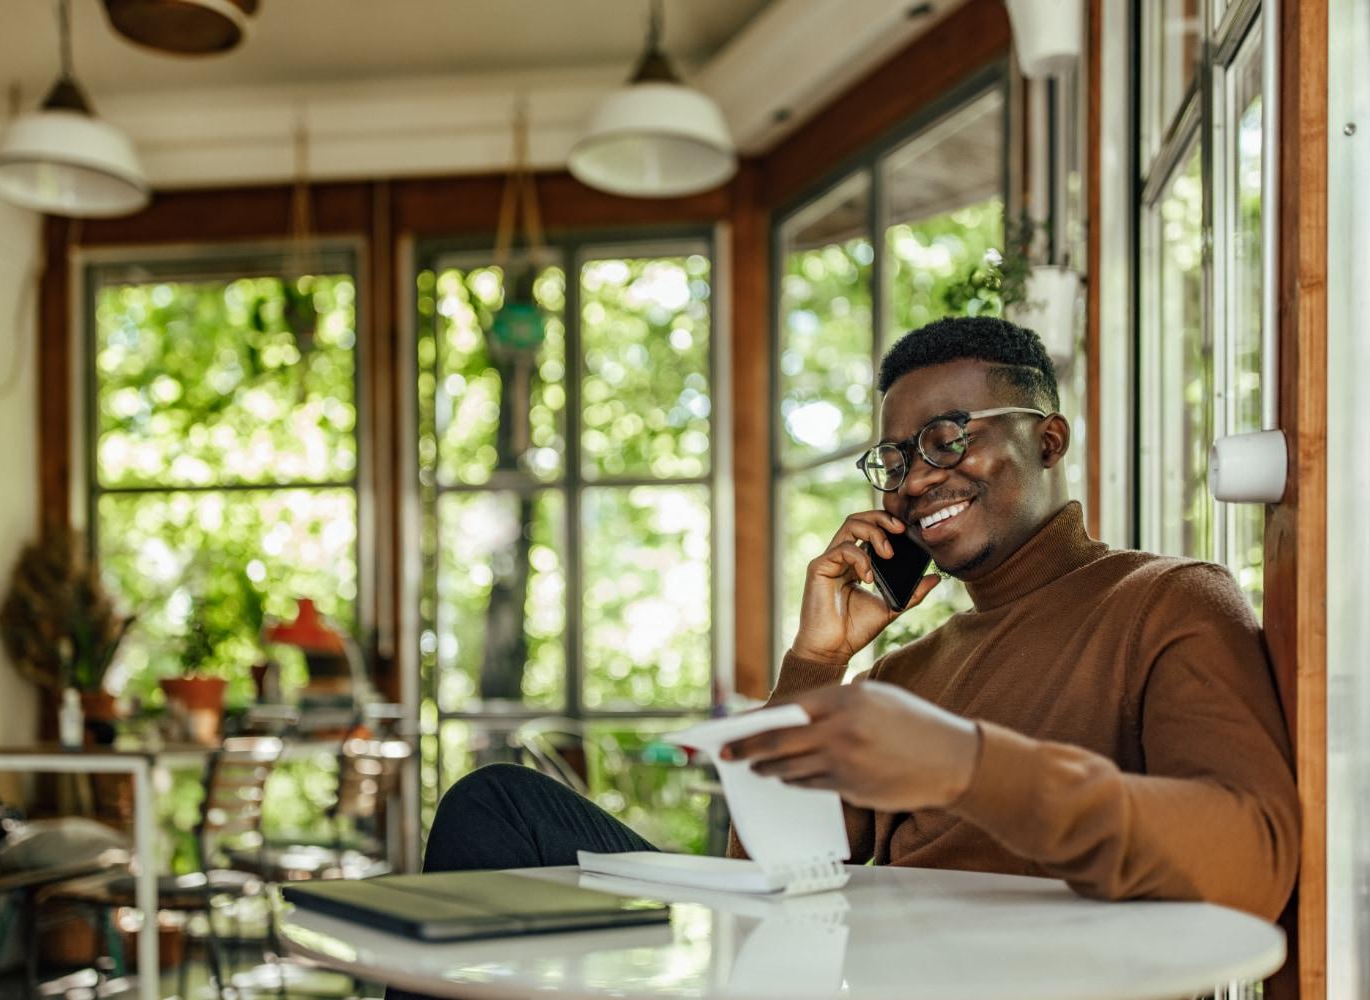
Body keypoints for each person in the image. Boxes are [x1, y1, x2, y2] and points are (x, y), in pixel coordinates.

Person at [389, 317, 1298, 999]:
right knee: (496, 807)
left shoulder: (1167, 599)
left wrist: (969, 767)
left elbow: (1256, 855)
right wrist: (817, 662)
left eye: (951, 436)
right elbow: (765, 879)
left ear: (1048, 440)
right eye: (898, 457)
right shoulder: (903, 674)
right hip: (838, 977)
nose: (918, 478)